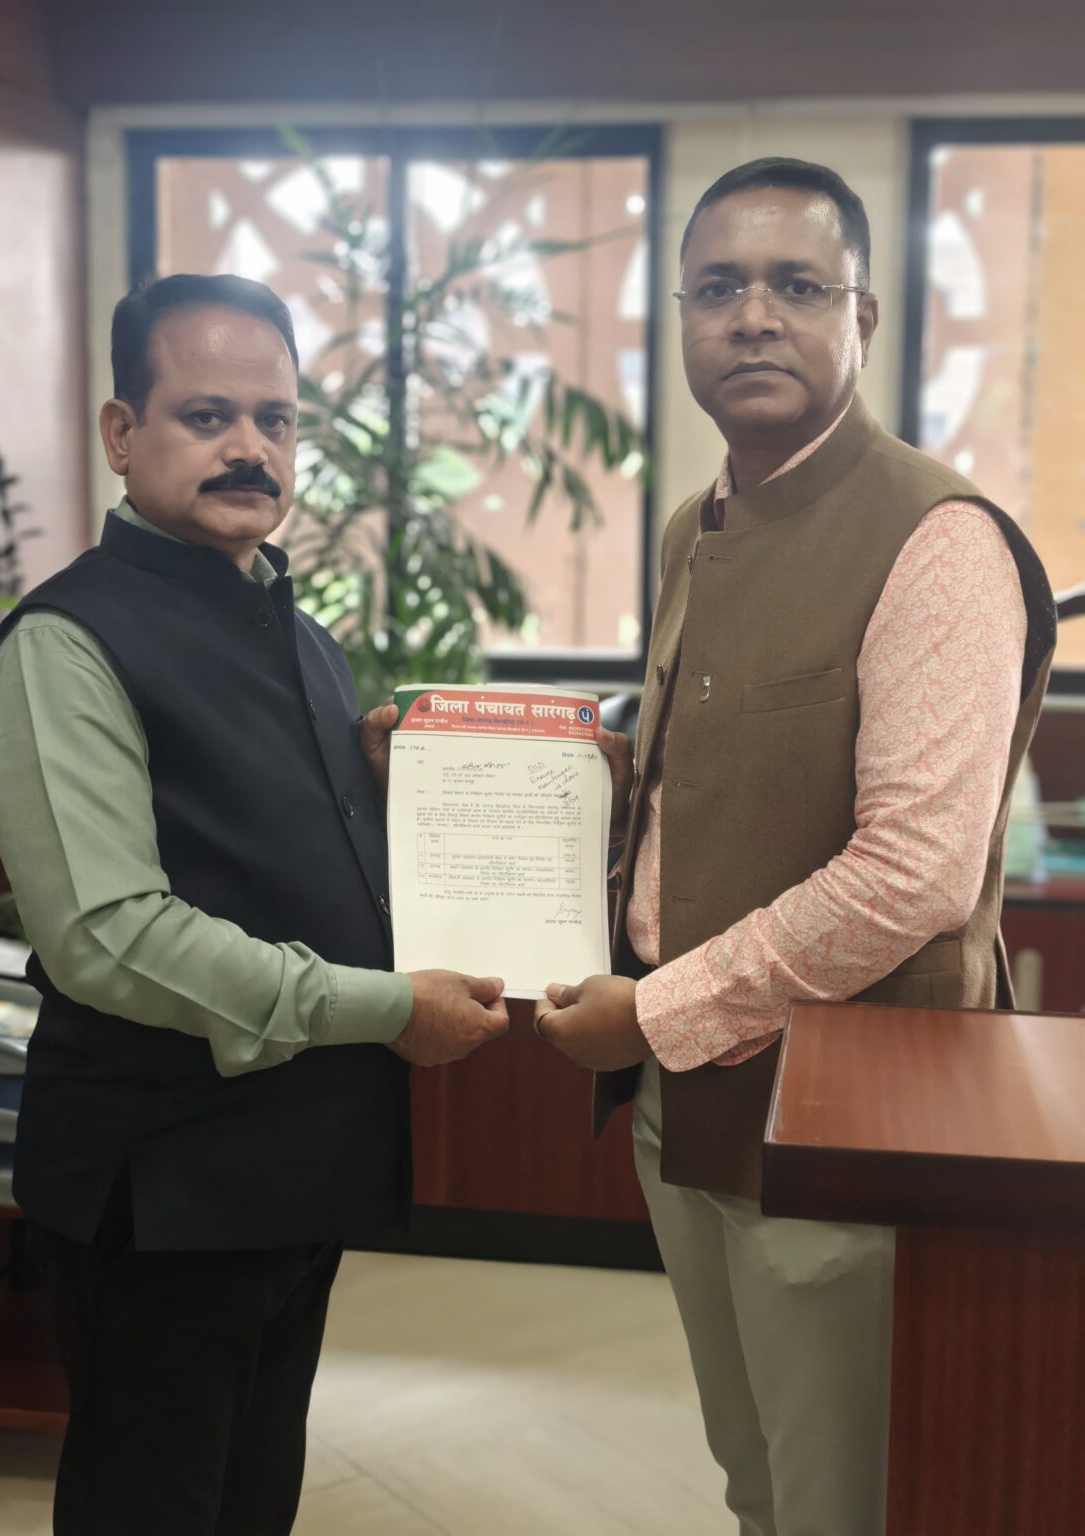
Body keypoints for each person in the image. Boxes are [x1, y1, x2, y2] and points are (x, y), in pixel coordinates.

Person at [535, 159, 1055, 1536]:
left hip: (850, 1110)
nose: (753, 316)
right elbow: (706, 777)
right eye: (718, 287)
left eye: (797, 286)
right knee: (755, 1472)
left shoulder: (936, 538)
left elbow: (914, 875)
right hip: (685, 1089)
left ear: (862, 317)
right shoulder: (691, 527)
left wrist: (656, 1009)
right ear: (680, 320)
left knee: (849, 1498)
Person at [0, 273, 510, 1536]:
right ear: (122, 433)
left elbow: (271, 853)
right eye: (207, 415)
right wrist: (388, 1009)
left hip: (294, 1170)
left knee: (253, 1502)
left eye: (276, 419)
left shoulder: (296, 631)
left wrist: (404, 796)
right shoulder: (65, 643)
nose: (250, 448)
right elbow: (110, 939)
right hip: (163, 1186)